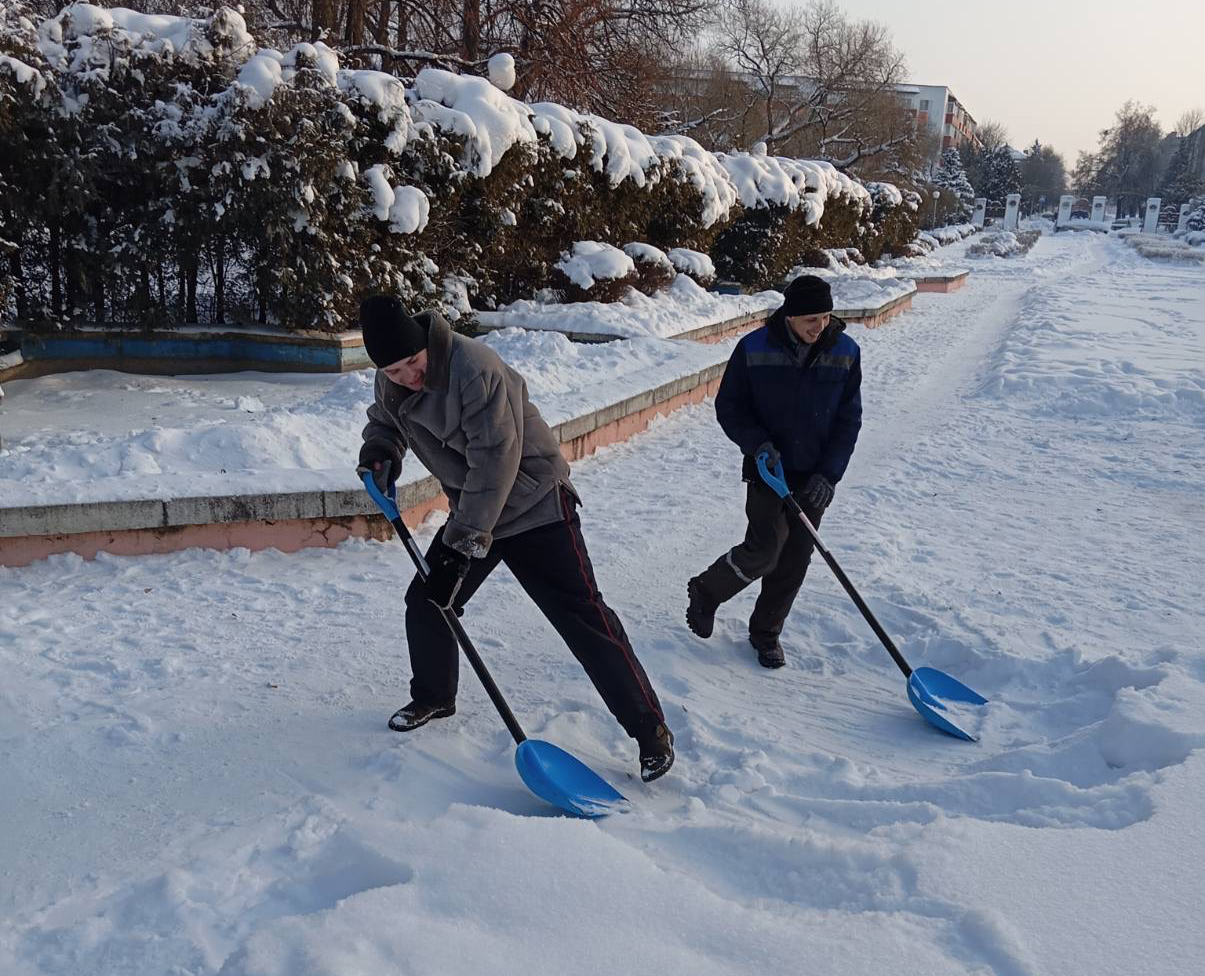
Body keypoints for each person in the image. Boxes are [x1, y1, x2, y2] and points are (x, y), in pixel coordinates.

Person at [356, 294, 674, 782]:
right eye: (394, 371)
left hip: (534, 503)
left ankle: (650, 732)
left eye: (412, 364)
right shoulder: (392, 378)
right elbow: (387, 419)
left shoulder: (474, 369)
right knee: (427, 601)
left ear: (425, 347)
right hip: (476, 508)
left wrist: (460, 550)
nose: (406, 377)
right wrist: (380, 449)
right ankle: (435, 697)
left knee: (582, 616)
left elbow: (495, 462)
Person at [686, 275, 862, 668]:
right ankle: (707, 590)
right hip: (770, 469)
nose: (819, 326)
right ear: (790, 316)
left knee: (795, 558)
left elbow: (849, 422)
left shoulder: (846, 352)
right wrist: (758, 445)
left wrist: (829, 475)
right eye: (810, 319)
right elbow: (729, 407)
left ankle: (766, 633)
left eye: (825, 316)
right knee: (765, 550)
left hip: (814, 474)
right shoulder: (754, 348)